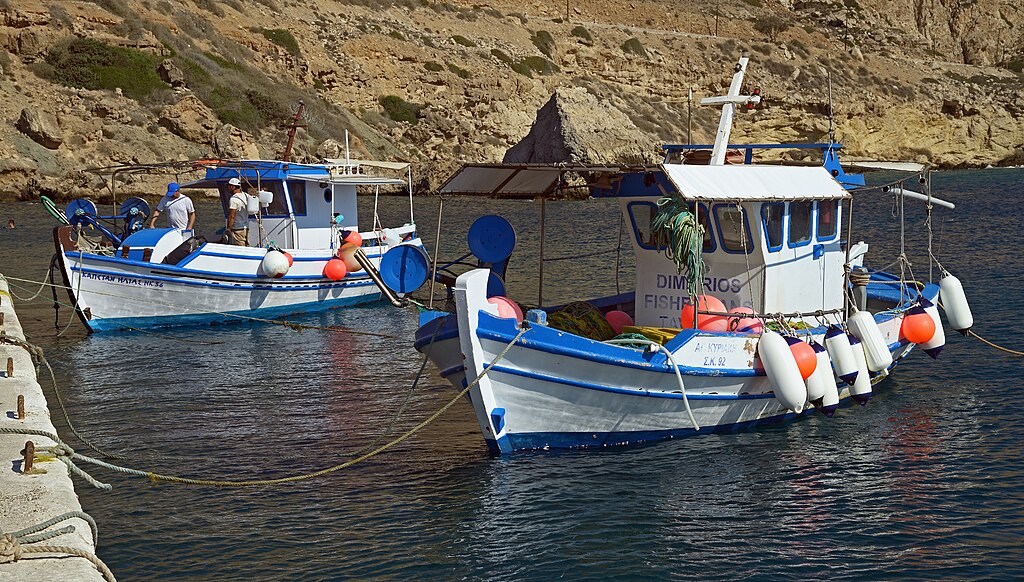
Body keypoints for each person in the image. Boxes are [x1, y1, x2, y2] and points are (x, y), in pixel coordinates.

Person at [224, 177, 249, 245]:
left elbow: (232, 216)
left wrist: (228, 229)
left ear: (232, 187)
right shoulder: (246, 195)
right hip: (246, 228)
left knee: (240, 250)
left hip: (237, 229)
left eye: (229, 186)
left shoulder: (233, 199)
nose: (228, 188)